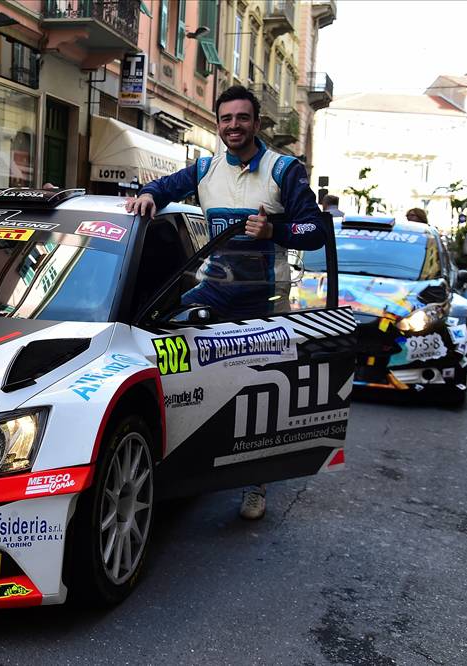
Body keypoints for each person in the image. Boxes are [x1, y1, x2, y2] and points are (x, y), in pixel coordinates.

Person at [126, 85, 326, 521]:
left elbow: (315, 232)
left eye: (242, 118)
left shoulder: (284, 169)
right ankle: (181, 457)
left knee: (259, 393)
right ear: (217, 125)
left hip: (265, 300)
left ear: (256, 123)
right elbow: (164, 186)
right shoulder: (205, 168)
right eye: (226, 119)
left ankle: (254, 482)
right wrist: (149, 196)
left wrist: (275, 232)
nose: (233, 126)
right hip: (214, 291)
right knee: (158, 349)